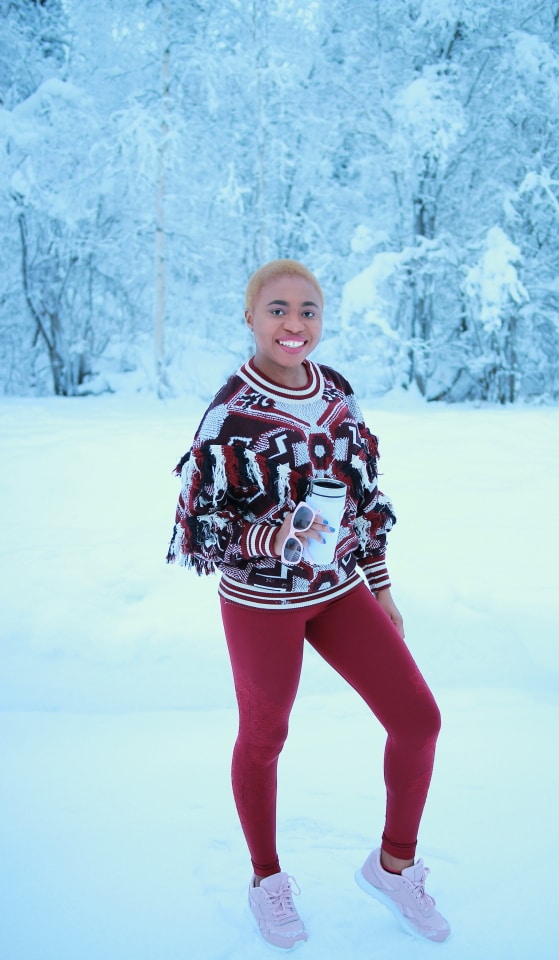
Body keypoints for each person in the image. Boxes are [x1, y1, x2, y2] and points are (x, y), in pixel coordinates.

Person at [167, 259, 450, 950]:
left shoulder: (338, 394)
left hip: (341, 590)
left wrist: (380, 584)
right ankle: (266, 879)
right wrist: (273, 535)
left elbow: (364, 496)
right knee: (266, 738)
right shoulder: (229, 411)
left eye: (309, 310)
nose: (295, 325)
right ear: (250, 317)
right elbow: (197, 528)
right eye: (278, 310)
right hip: (260, 602)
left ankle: (394, 867)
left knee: (418, 721)